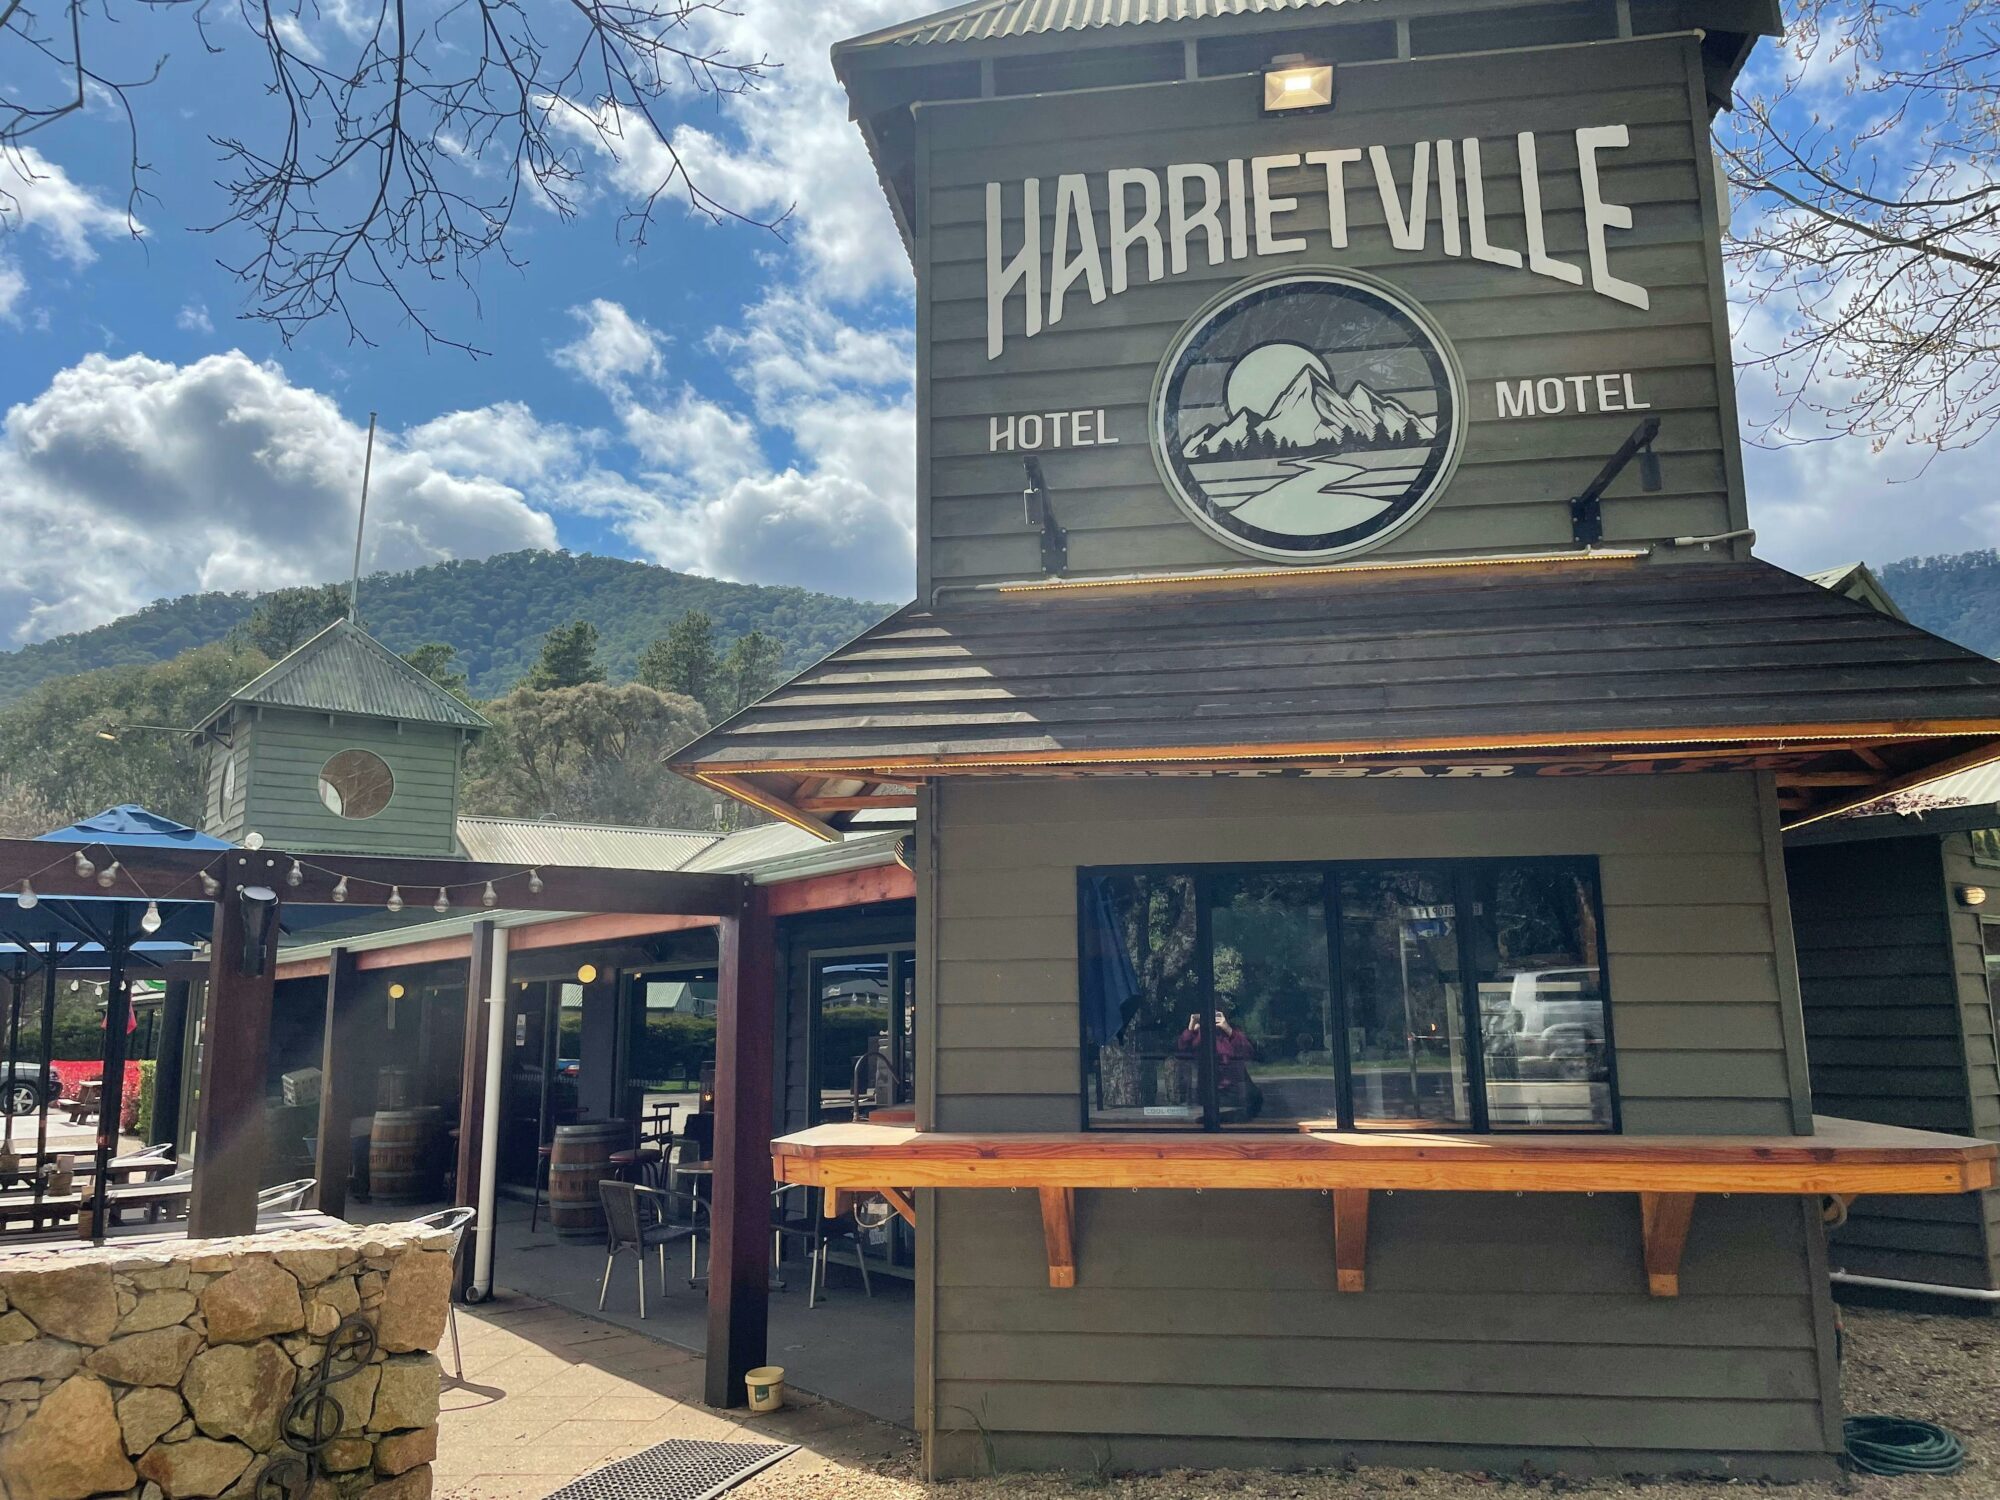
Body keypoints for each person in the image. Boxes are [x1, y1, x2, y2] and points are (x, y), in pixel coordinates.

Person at [1176, 1011, 1265, 1121]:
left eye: (1217, 1013)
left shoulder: (1233, 1033)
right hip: (1208, 1090)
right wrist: (1191, 1027)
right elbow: (1182, 1050)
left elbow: (1247, 1052)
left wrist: (1228, 1029)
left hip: (1234, 1089)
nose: (1213, 1017)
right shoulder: (1198, 1034)